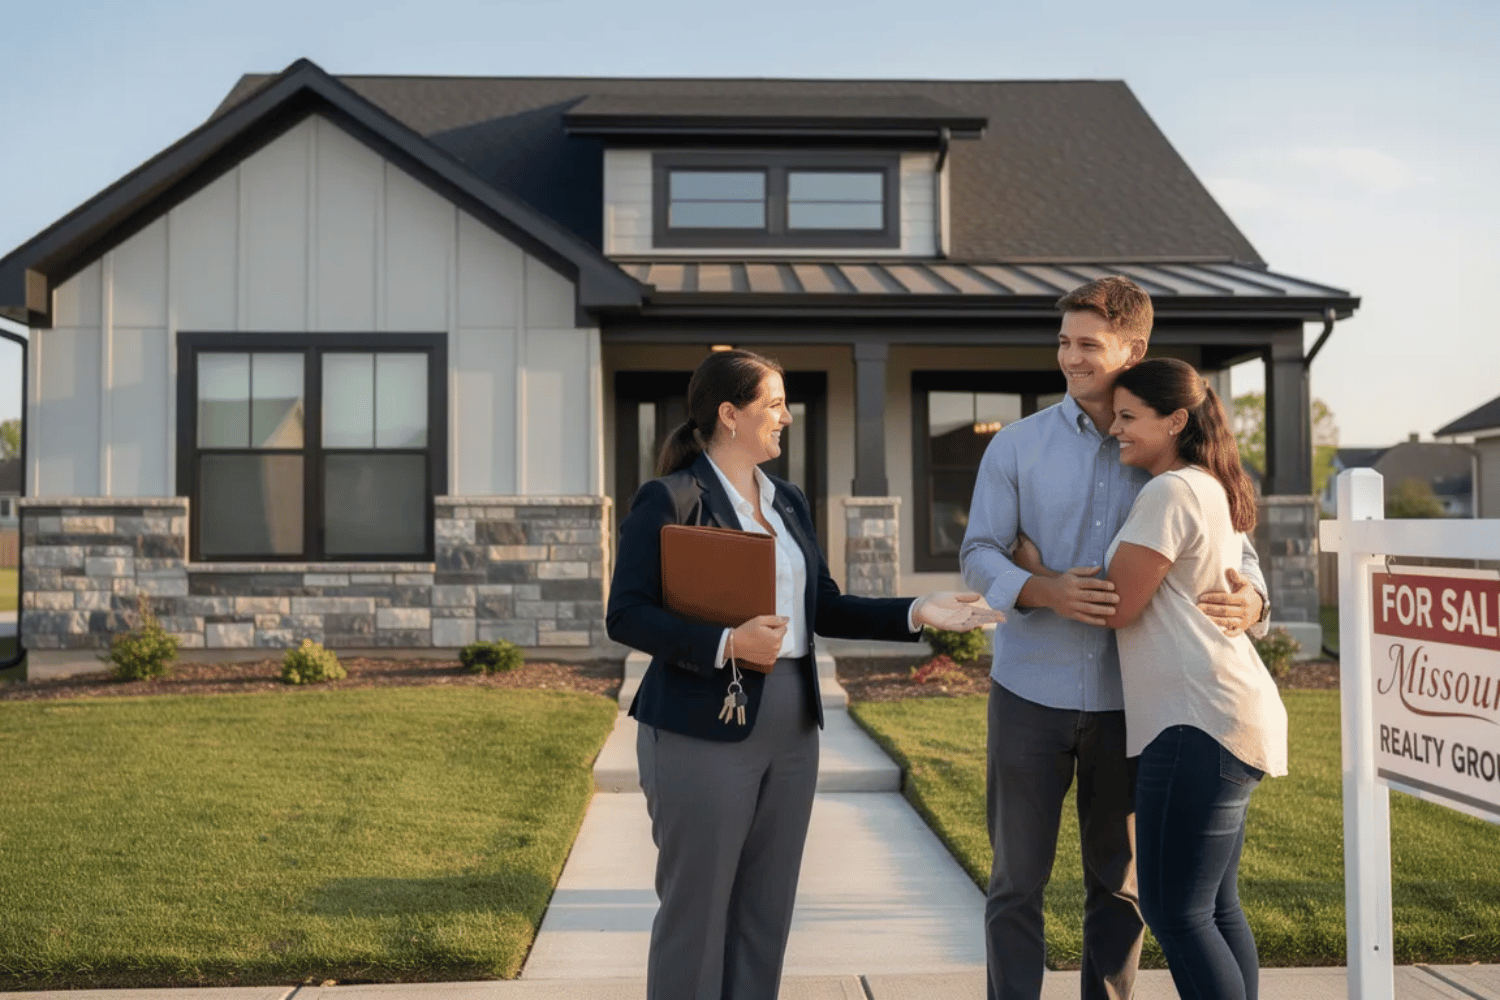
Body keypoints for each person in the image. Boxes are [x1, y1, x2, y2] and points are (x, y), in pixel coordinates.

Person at [607, 348, 1000, 1000]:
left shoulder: (786, 499)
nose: (786, 417)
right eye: (774, 405)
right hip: (701, 719)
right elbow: (627, 614)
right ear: (730, 415)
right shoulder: (673, 497)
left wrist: (919, 609)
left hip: (792, 719)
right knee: (697, 908)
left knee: (766, 907)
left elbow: (827, 603)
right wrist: (727, 641)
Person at [960, 276, 1269, 1000]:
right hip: (1028, 692)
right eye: (1064, 341)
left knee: (1121, 888)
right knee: (1014, 884)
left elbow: (1239, 558)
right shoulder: (1016, 445)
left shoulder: (1174, 449)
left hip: (1134, 706)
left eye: (1087, 344)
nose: (1069, 357)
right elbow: (979, 552)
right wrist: (1043, 588)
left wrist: (1252, 600)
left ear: (1135, 348)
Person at [1099, 358, 1287, 1000]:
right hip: (1226, 714)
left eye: (1128, 418)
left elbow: (1120, 605)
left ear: (1175, 420)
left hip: (1194, 722)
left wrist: (1032, 570)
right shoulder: (1211, 484)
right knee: (1214, 907)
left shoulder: (1171, 492)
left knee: (1176, 913)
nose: (1114, 429)